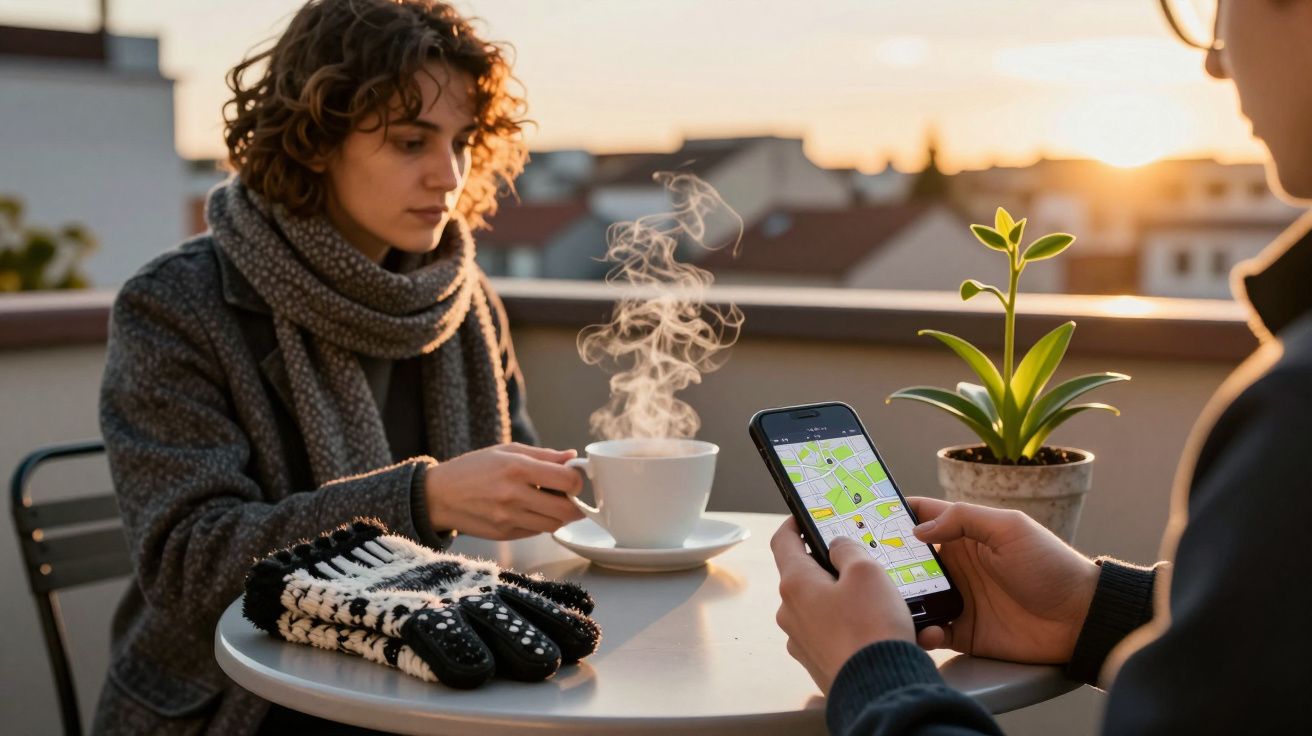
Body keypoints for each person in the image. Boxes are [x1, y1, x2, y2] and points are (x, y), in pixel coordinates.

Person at [771, 0, 1312, 733]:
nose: (1214, 59)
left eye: (1219, 9)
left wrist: (873, 670)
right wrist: (1090, 610)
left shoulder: (1294, 414)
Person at [93, 1, 586, 733]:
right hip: (249, 704)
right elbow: (191, 565)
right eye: (412, 141)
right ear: (317, 139)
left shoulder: (463, 301)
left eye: (462, 141)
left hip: (439, 681)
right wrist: (425, 500)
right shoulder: (175, 305)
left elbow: (509, 521)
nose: (447, 176)